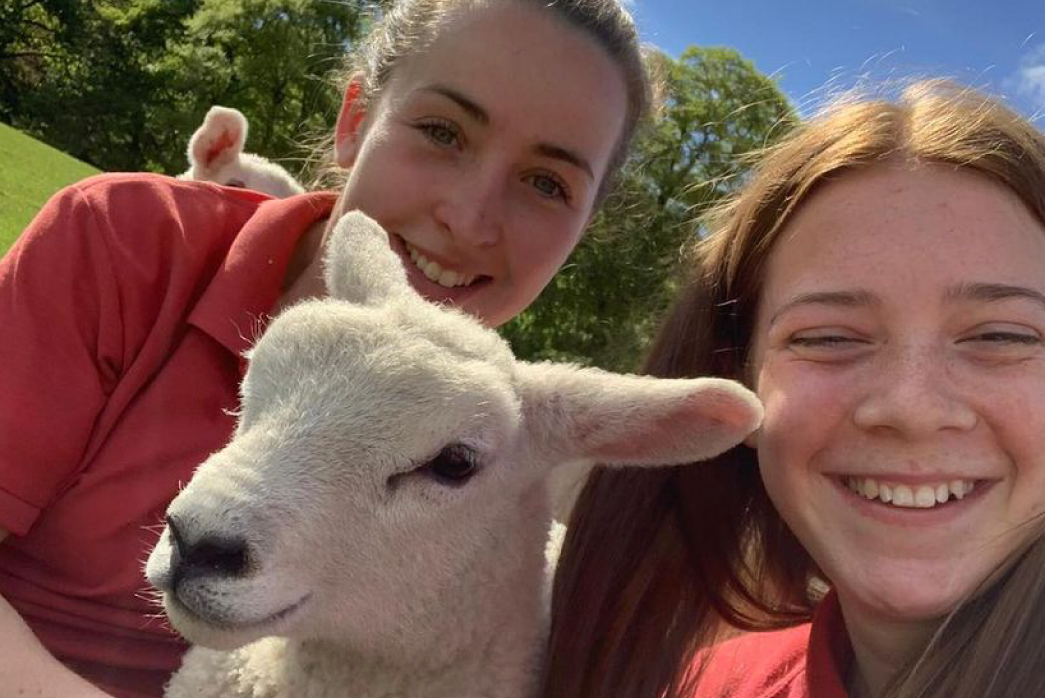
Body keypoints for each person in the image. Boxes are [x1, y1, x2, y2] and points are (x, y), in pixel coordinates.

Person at [0, 0, 653, 696]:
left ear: (580, 231)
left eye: (547, 184)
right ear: (354, 123)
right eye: (440, 131)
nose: (468, 218)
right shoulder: (125, 244)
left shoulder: (503, 455)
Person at [542, 79, 1045, 698]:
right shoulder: (701, 687)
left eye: (1003, 336)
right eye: (829, 338)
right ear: (738, 381)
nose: (911, 409)